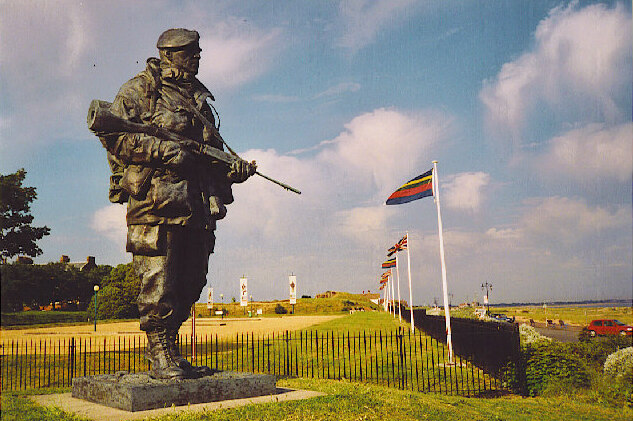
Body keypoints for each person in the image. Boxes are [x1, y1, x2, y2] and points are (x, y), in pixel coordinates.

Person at [102, 28, 255, 379]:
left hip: (198, 206)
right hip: (156, 204)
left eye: (198, 51)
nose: (198, 57)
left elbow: (207, 157)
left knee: (191, 280)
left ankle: (170, 349)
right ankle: (160, 355)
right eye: (190, 52)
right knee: (160, 280)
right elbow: (114, 136)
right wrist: (163, 151)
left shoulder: (200, 99)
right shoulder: (141, 90)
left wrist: (234, 171)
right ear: (169, 55)